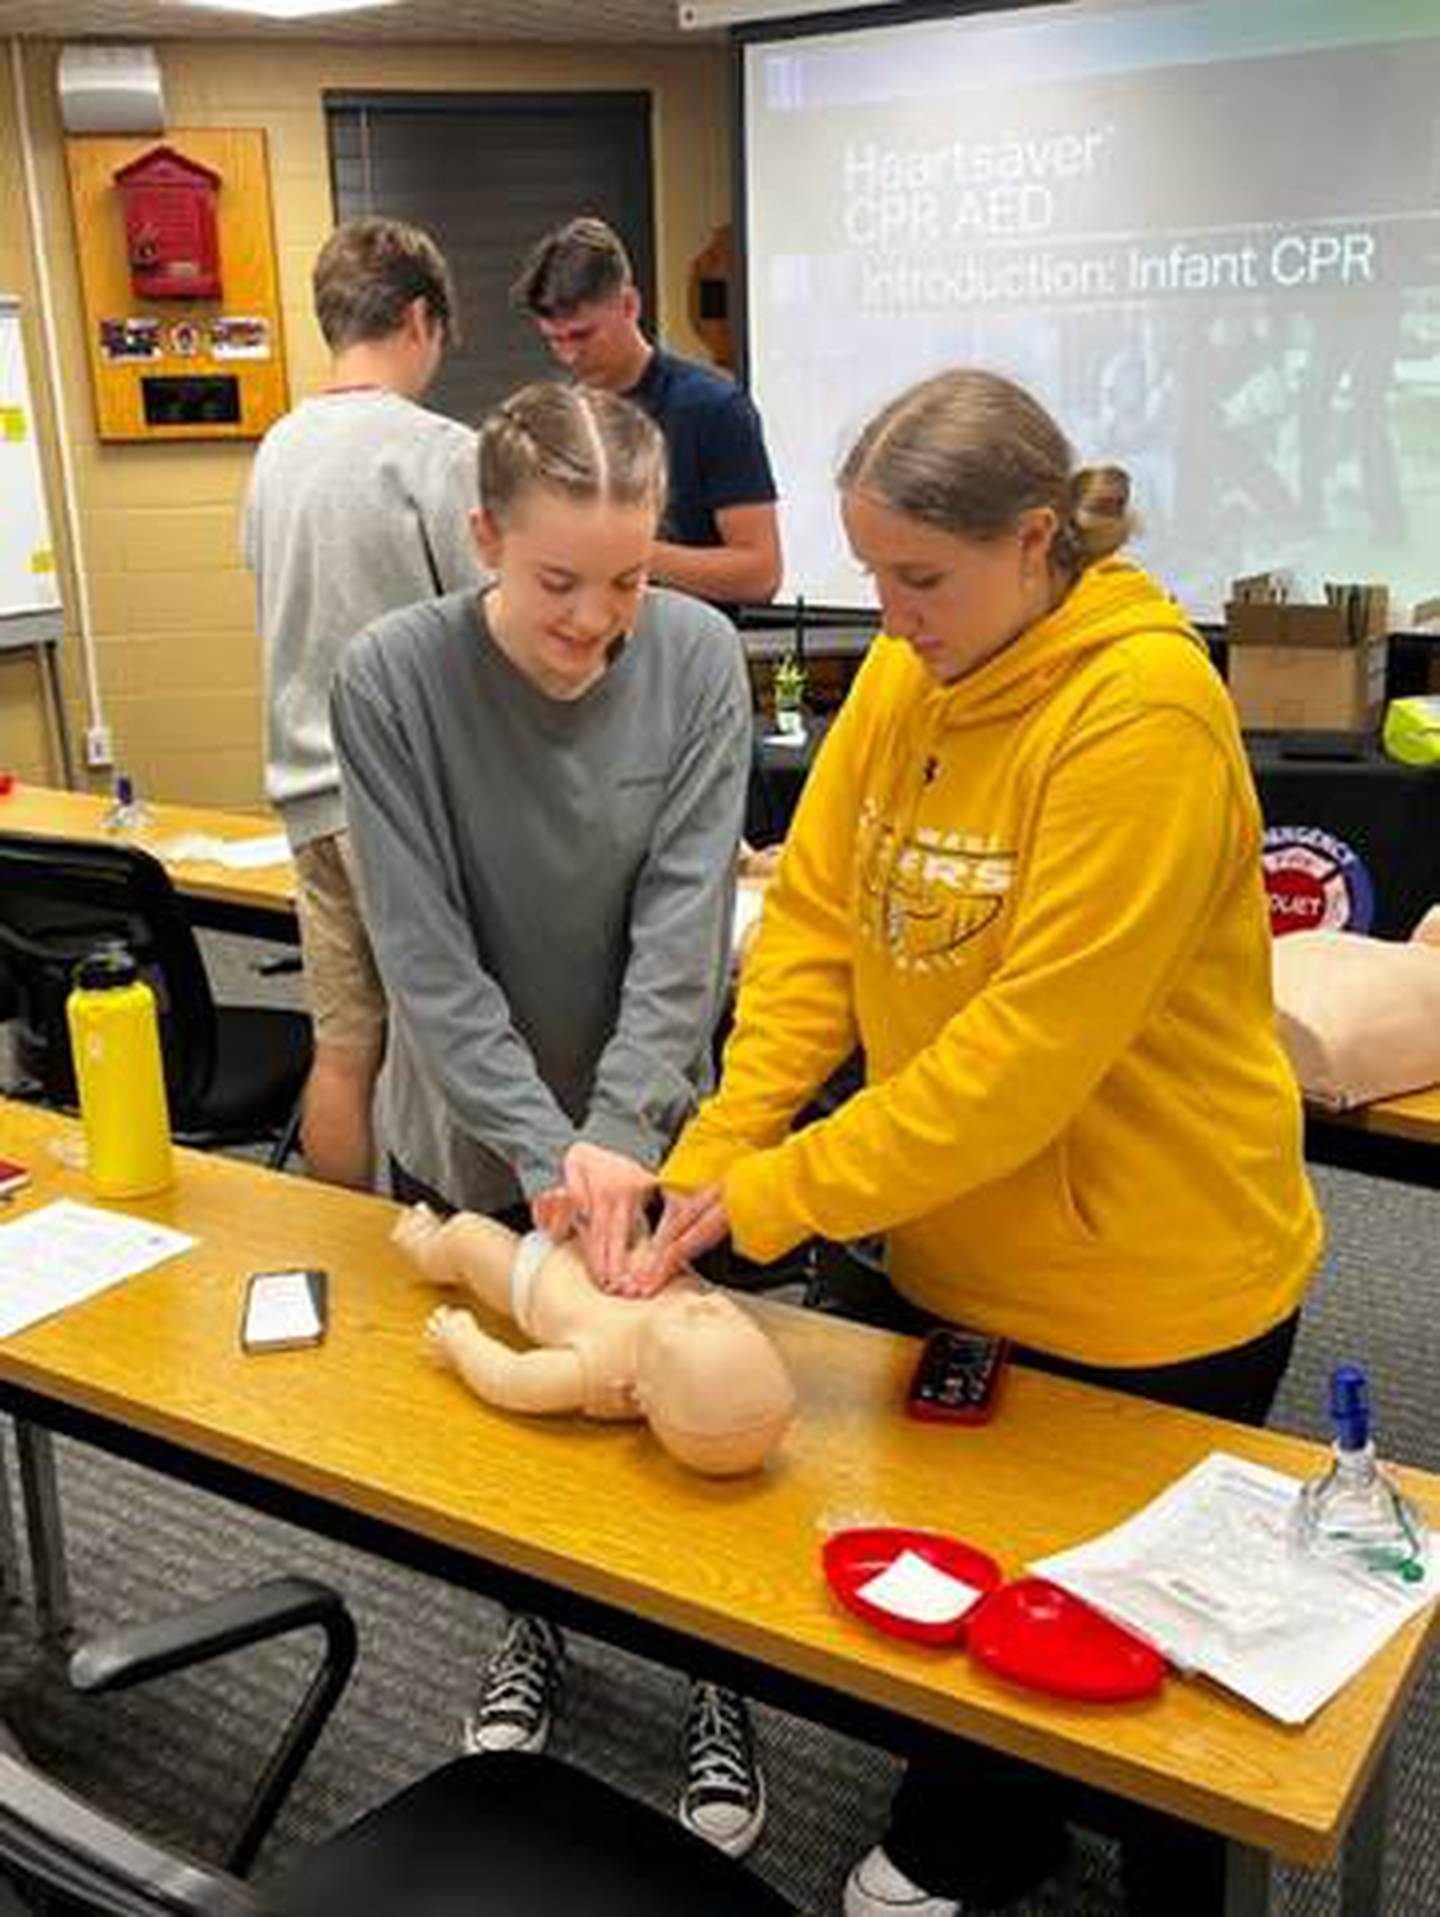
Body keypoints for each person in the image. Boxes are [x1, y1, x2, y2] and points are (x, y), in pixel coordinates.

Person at [638, 368, 1323, 1916]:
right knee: (951, 1592)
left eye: (920, 578)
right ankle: (989, 1827)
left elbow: (1022, 1068)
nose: (889, 613)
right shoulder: (913, 669)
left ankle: (1036, 1847)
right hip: (947, 1253)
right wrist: (722, 1141)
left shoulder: (1142, 713)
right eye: (872, 573)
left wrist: (774, 1194)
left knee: (1145, 1679)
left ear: (1035, 542)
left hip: (1156, 1286)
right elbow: (811, 921)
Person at [330, 382, 765, 1856]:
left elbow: (684, 920)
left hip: (656, 1134)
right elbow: (426, 954)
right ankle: (535, 1626)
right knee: (530, 1441)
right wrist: (540, 1147)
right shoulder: (390, 677)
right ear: (482, 542)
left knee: (697, 1430)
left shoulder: (699, 656)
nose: (598, 621)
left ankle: (723, 1674)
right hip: (475, 1128)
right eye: (559, 582)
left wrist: (628, 1127)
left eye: (632, 578)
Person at [243, 215, 480, 1190]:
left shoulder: (277, 451)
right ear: (421, 318)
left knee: (344, 1048)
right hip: (407, 808)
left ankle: (348, 1273)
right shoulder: (441, 452)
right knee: (446, 1062)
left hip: (305, 794)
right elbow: (491, 632)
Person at [512, 215, 782, 610]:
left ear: (629, 305)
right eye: (554, 340)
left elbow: (760, 574)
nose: (569, 355)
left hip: (684, 653)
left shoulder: (713, 409)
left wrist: (627, 552)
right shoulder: (558, 421)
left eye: (583, 335)